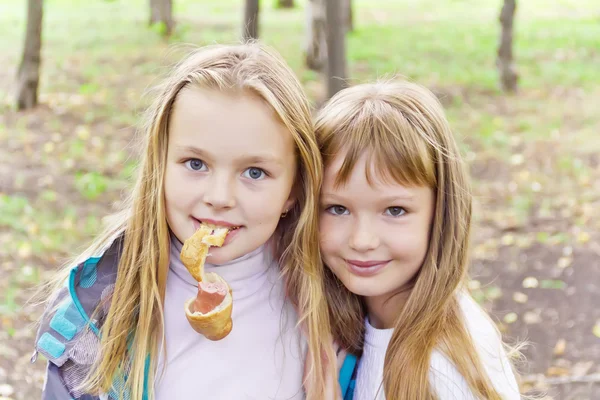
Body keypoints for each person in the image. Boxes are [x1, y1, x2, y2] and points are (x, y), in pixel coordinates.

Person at [33, 42, 335, 400]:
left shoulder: (332, 299)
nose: (220, 197)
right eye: (195, 164)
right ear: (159, 167)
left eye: (254, 172)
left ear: (293, 189)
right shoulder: (96, 313)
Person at [316, 81, 521, 399]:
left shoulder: (443, 369)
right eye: (337, 208)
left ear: (440, 212)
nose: (362, 240)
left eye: (394, 210)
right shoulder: (355, 321)